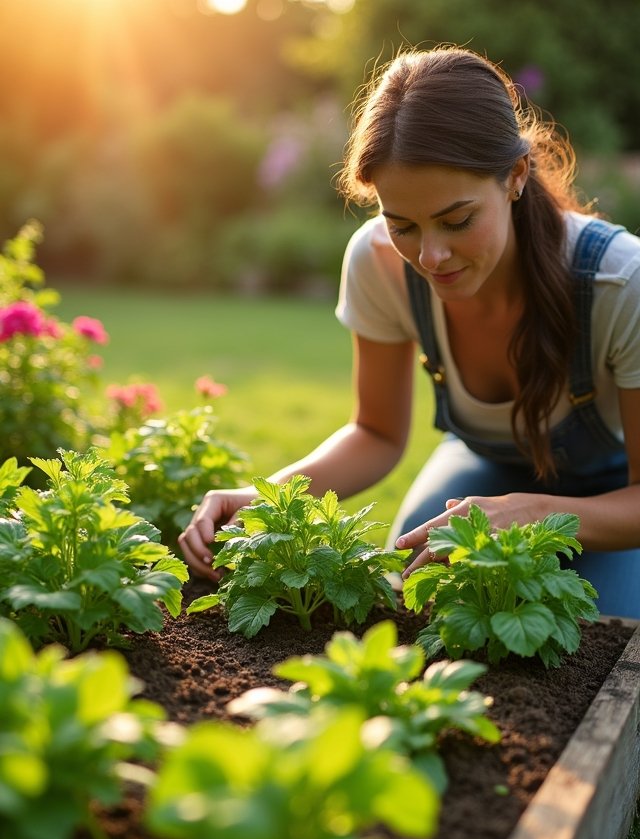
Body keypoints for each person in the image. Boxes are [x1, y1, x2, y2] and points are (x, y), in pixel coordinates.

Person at [179, 44, 640, 619]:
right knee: (413, 596)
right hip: (486, 467)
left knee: (601, 631)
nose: (431, 255)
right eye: (402, 224)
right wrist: (265, 498)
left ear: (516, 176)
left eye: (457, 220)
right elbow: (375, 432)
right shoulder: (377, 262)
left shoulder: (619, 282)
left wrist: (529, 512)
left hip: (615, 494)